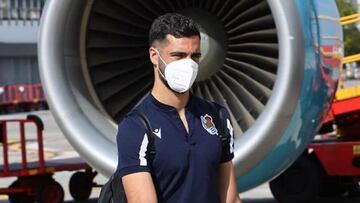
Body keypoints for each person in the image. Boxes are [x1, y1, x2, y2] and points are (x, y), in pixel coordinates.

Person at [116, 13, 242, 203]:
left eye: (195, 56)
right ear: (154, 56)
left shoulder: (218, 117)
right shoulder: (136, 127)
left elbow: (230, 199)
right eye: (178, 55)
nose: (189, 65)